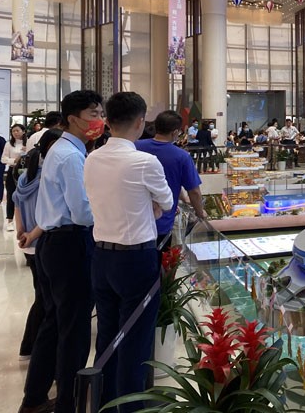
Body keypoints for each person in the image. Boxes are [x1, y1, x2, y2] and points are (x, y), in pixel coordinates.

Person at [85, 92, 173, 412]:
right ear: (140, 122)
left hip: (101, 257)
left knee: (107, 337)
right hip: (136, 259)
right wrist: (149, 206)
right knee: (135, 342)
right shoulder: (144, 162)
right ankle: (131, 408)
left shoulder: (92, 158)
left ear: (107, 121)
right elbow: (166, 202)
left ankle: (106, 404)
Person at [20, 89, 103, 413]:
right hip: (70, 245)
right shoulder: (70, 156)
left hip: (54, 244)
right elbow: (81, 213)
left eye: (101, 113)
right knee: (74, 328)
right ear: (72, 119)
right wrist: (109, 214)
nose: (99, 120)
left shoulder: (63, 150)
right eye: (93, 114)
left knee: (55, 323)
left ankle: (35, 397)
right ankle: (68, 401)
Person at [14, 129, 63, 363]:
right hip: (43, 241)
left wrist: (22, 233)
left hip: (30, 244)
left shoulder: (25, 177)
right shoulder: (48, 178)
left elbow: (17, 203)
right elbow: (49, 216)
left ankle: (29, 347)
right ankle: (33, 347)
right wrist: (32, 235)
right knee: (46, 300)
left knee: (41, 296)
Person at [136, 110, 205, 250]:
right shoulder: (181, 156)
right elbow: (194, 191)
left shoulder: (136, 147)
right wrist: (200, 212)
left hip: (132, 221)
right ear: (175, 132)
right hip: (161, 223)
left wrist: (183, 198)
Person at [3, 123, 27, 230]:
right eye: (13, 131)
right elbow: (3, 158)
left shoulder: (29, 142)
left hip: (26, 171)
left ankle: (25, 220)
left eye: (17, 130)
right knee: (11, 195)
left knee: (26, 195)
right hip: (13, 171)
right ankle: (10, 220)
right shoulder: (9, 144)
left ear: (23, 131)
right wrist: (14, 160)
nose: (15, 133)